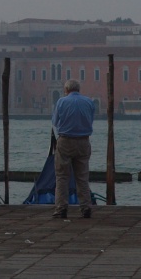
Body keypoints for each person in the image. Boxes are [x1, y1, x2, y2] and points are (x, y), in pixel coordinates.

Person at [52, 79, 95, 219]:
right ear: (79, 89)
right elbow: (91, 119)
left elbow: (55, 122)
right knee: (82, 177)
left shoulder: (61, 102)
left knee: (62, 177)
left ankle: (61, 209)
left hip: (65, 141)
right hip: (84, 141)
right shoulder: (89, 102)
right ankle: (86, 207)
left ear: (66, 90)